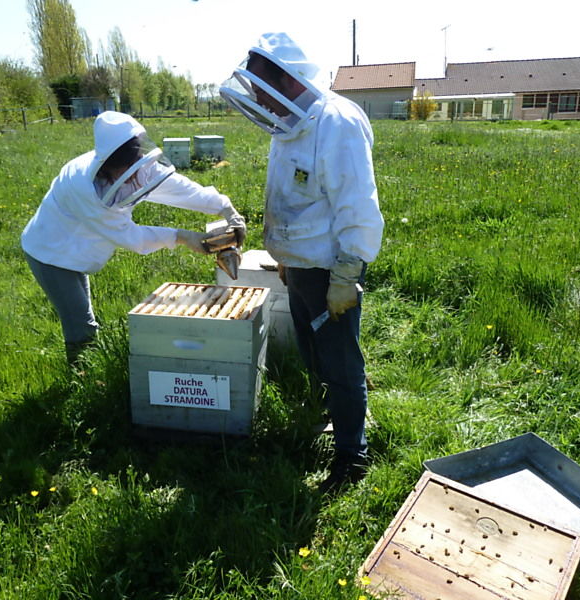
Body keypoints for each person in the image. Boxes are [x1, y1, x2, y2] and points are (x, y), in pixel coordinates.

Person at [220, 32, 384, 494]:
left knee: (339, 360)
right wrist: (285, 259)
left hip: (333, 267)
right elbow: (292, 198)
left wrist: (348, 275)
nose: (258, 100)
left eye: (261, 89)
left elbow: (358, 207)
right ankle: (328, 414)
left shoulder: (338, 124)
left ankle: (353, 455)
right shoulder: (288, 124)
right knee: (316, 352)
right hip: (299, 266)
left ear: (288, 82)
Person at [21, 111, 246, 367]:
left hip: (77, 246)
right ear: (107, 167)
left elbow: (178, 188)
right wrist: (183, 237)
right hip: (50, 252)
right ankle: (80, 379)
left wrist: (225, 207)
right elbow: (132, 237)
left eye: (135, 170)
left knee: (85, 317)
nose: (134, 179)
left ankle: (86, 367)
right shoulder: (84, 187)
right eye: (125, 175)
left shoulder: (136, 165)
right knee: (81, 324)